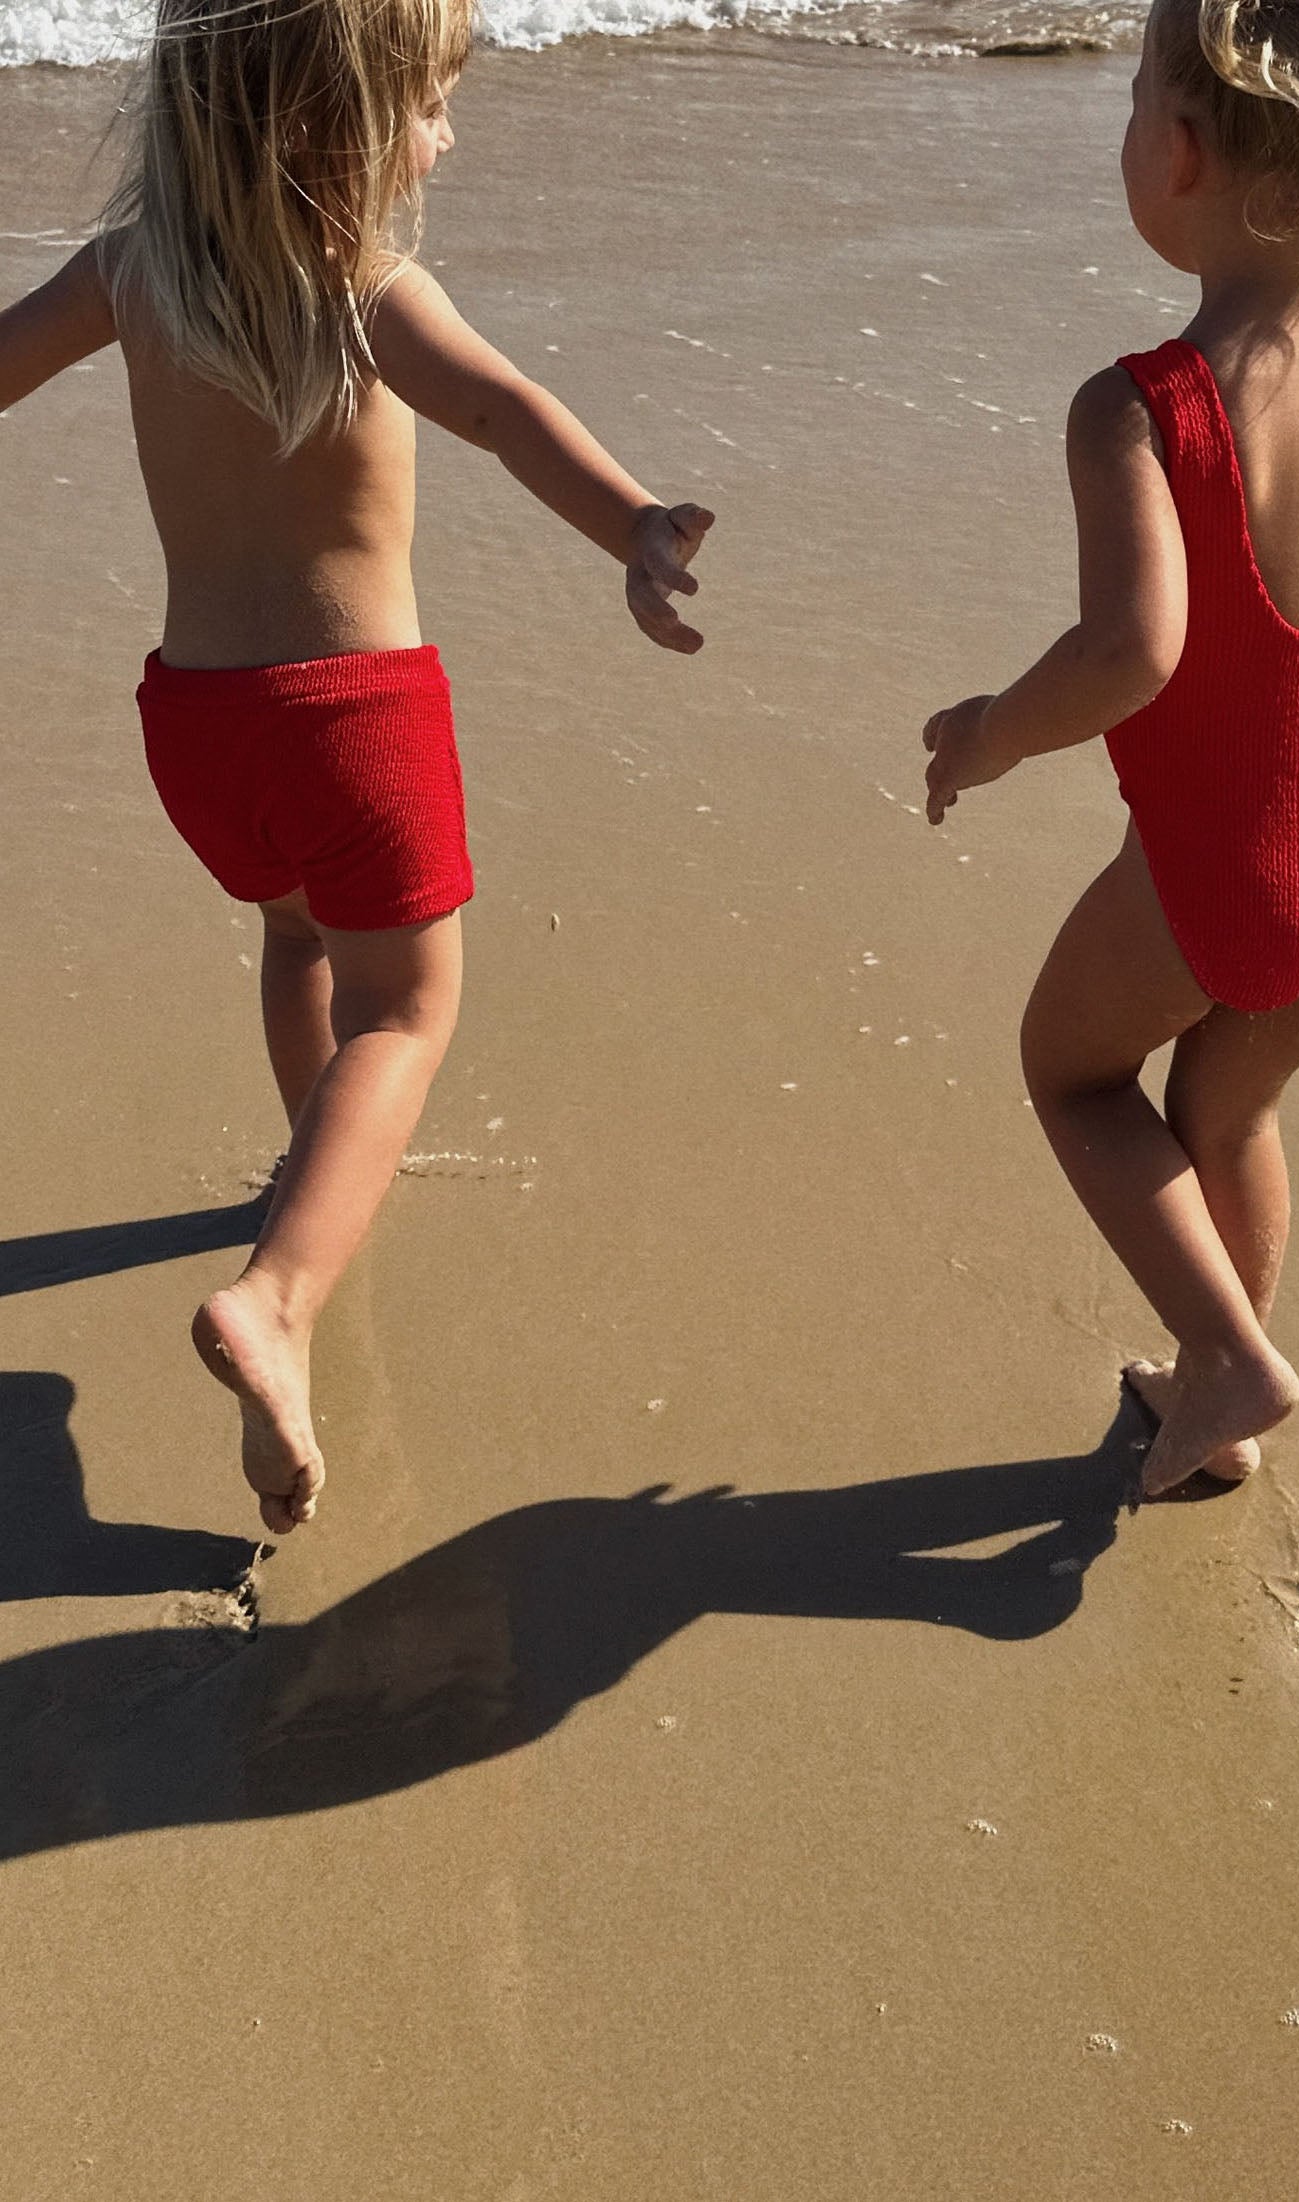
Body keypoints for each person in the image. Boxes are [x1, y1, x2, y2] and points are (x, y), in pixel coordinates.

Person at [0, 0, 713, 1536]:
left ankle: (310, 1179)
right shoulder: (368, 287)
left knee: (297, 939)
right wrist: (635, 527)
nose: (444, 138)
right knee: (408, 1008)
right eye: (428, 105)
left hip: (198, 730)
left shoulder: (131, 272)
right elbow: (506, 413)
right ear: (332, 123)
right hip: (354, 725)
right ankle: (279, 1291)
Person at [923, 0, 1299, 1500]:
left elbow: (1132, 654)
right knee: (1230, 1106)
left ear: (1179, 152)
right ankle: (1213, 1399)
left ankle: (1228, 1359)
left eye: (1131, 102)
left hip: (1224, 875)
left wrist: (985, 735)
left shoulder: (1142, 408)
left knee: (1072, 1072)